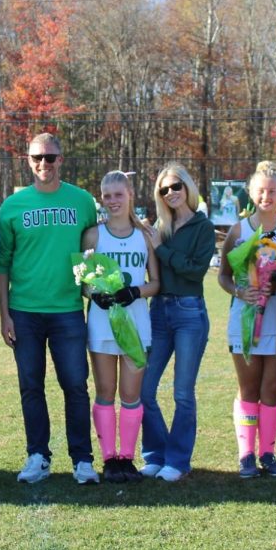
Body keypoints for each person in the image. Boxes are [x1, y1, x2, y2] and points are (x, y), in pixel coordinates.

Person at [0, 133, 100, 485]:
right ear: (28, 160)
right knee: (31, 385)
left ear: (61, 158)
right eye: (37, 157)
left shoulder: (82, 201)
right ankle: (37, 455)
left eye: (50, 157)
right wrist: (4, 313)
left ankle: (82, 459)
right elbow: (2, 264)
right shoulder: (13, 206)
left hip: (68, 310)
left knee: (75, 385)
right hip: (24, 311)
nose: (44, 164)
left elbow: (94, 248)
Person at [217, 161, 276, 479]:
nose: (266, 196)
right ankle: (246, 456)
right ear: (251, 193)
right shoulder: (238, 231)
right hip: (245, 316)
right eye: (261, 190)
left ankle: (268, 452)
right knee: (248, 388)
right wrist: (241, 292)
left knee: (271, 389)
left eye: (273, 191)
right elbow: (224, 277)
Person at [139, 164, 216, 482]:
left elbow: (195, 270)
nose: (170, 193)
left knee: (183, 392)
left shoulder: (202, 226)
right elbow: (152, 269)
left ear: (187, 188)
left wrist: (161, 248)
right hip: (159, 311)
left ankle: (178, 460)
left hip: (189, 313)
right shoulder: (161, 226)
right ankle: (155, 455)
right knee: (144, 390)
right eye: (164, 189)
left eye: (176, 187)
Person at [82, 170, 160, 484]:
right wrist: (94, 293)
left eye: (118, 194)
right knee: (104, 392)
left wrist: (135, 291)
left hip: (135, 324)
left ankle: (127, 458)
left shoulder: (146, 235)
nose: (113, 201)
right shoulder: (93, 235)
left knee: (131, 394)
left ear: (130, 194)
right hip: (102, 324)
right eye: (107, 195)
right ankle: (109, 460)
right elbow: (84, 282)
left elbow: (156, 283)